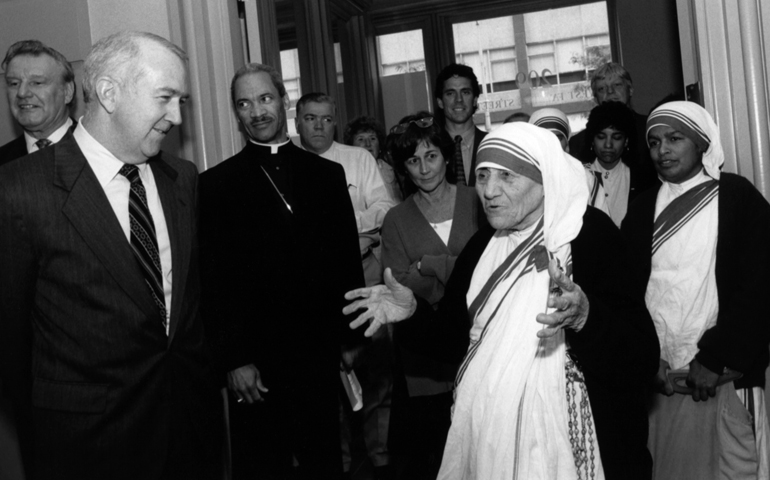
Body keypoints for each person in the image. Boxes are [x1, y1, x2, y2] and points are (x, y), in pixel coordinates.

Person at [344, 122, 659, 480]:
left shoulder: (590, 237)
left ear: (545, 178)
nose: (489, 191)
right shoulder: (482, 247)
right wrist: (413, 312)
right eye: (482, 175)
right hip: (489, 448)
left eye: (507, 177)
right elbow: (451, 340)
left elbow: (642, 356)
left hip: (578, 446)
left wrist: (586, 317)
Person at [0, 31, 222, 479]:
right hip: (86, 446)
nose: (177, 116)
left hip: (187, 433)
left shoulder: (182, 178)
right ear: (108, 93)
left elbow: (190, 308)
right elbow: (10, 340)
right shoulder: (19, 189)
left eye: (181, 100)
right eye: (165, 97)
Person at [199, 64, 367, 479]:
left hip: (317, 351)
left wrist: (349, 339)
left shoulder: (327, 175)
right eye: (244, 103)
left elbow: (345, 261)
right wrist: (234, 359)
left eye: (265, 98)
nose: (257, 111)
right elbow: (214, 281)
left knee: (324, 460)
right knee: (261, 465)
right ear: (236, 114)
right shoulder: (216, 185)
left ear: (283, 100)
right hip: (254, 364)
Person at [622, 101, 770, 480]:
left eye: (675, 138)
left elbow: (760, 284)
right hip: (663, 382)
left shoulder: (736, 197)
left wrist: (718, 355)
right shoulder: (640, 210)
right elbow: (628, 295)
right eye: (654, 142)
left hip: (723, 378)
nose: (662, 150)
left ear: (703, 144)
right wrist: (645, 357)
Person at [382, 112, 483, 479]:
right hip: (421, 358)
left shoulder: (477, 201)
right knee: (431, 459)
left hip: (476, 344)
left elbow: (489, 270)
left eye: (431, 156)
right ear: (403, 169)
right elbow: (398, 287)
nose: (424, 169)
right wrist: (456, 269)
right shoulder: (396, 218)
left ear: (445, 155)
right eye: (412, 160)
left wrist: (428, 265)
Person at [295, 92, 395, 287]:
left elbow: (384, 205)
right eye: (310, 118)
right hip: (306, 274)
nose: (318, 126)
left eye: (326, 119)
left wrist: (348, 224)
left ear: (334, 124)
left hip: (361, 268)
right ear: (297, 123)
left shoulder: (359, 158)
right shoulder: (288, 166)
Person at [569, 62, 656, 181]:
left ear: (630, 90)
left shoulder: (651, 128)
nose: (610, 91)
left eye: (617, 85)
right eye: (601, 88)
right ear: (595, 98)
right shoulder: (579, 143)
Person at [0, 40, 76, 167]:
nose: (22, 93)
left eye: (37, 83)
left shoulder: (101, 152)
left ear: (67, 92)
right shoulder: (3, 163)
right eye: (14, 83)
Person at [583, 101, 658, 227]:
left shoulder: (642, 177)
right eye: (601, 137)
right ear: (592, 140)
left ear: (626, 141)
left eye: (616, 137)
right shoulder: (579, 175)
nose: (608, 145)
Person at [434, 63, 487, 186]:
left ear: (475, 100)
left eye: (465, 92)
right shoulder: (431, 149)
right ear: (440, 102)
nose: (459, 99)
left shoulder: (492, 143)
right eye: (450, 93)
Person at [345, 115, 403, 202]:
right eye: (361, 139)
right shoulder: (346, 172)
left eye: (372, 138)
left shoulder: (391, 171)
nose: (368, 144)